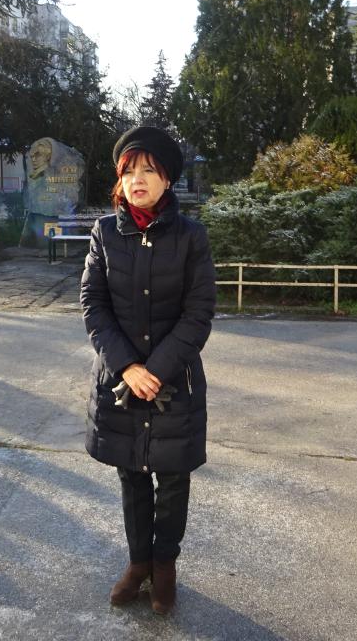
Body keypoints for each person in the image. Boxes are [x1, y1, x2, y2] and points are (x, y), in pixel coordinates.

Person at [80, 126, 216, 615]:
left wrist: (154, 369)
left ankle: (164, 567)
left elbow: (198, 313)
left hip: (174, 382)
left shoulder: (191, 237)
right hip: (120, 383)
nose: (137, 179)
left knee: (173, 479)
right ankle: (138, 563)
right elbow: (93, 306)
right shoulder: (104, 233)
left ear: (167, 180)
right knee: (132, 475)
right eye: (129, 171)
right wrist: (128, 367)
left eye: (148, 171)